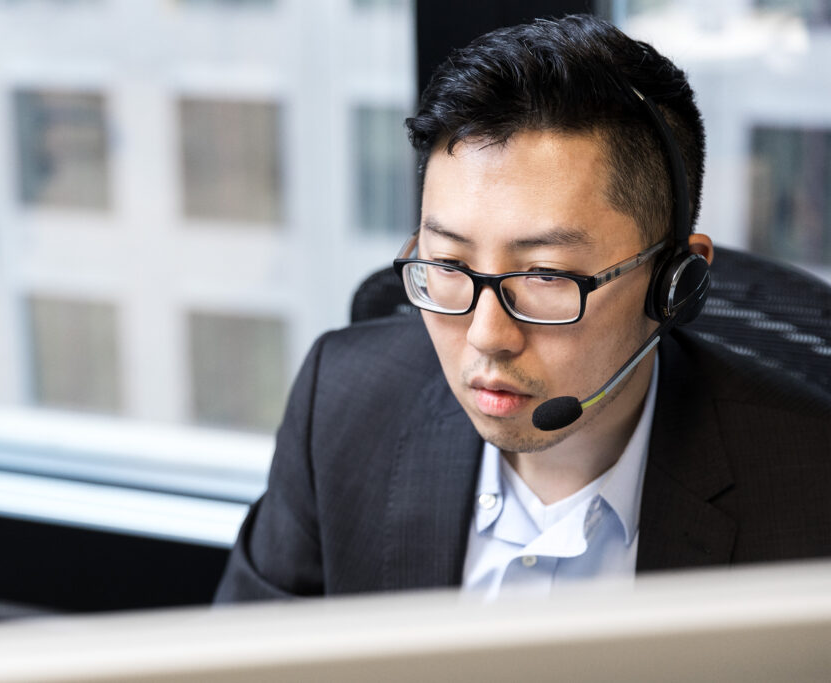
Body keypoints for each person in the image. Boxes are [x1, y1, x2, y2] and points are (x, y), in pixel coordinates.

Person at [215, 14, 831, 602]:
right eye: (448, 264)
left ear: (676, 283)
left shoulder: (810, 485)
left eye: (545, 276)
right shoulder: (341, 409)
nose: (487, 336)